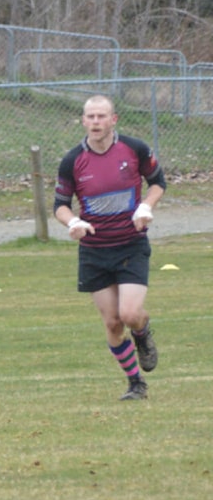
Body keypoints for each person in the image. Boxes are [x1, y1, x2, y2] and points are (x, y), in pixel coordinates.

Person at [54, 94, 165, 401]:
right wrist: (73, 222)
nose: (95, 122)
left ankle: (142, 333)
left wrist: (145, 207)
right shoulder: (72, 160)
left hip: (130, 244)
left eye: (101, 116)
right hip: (94, 250)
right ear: (83, 121)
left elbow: (158, 182)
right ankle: (136, 384)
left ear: (113, 120)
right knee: (113, 323)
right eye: (90, 117)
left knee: (130, 314)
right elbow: (60, 206)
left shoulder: (134, 149)